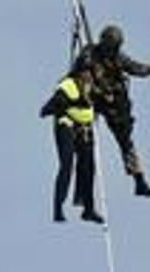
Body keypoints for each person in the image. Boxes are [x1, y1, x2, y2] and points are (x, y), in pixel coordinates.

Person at [73, 24, 150, 198]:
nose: (113, 51)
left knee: (125, 140)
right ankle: (83, 189)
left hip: (114, 104)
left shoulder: (118, 58)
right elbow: (79, 75)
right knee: (84, 143)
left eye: (116, 48)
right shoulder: (89, 54)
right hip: (92, 99)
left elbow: (136, 68)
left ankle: (139, 180)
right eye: (111, 47)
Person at [38, 63, 103, 224]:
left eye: (91, 75)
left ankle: (88, 209)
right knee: (67, 164)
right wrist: (71, 103)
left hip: (85, 130)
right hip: (66, 125)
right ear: (79, 73)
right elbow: (51, 105)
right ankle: (58, 207)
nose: (89, 77)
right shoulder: (68, 85)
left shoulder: (93, 88)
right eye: (86, 74)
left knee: (88, 167)